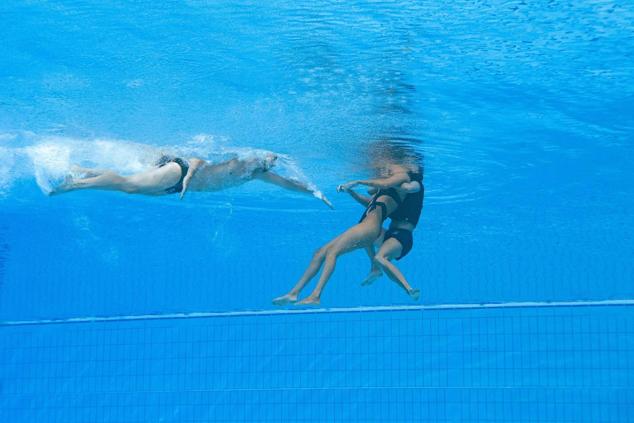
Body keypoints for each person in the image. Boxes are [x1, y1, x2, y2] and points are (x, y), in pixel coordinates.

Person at [272, 162, 418, 306]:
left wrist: (358, 181)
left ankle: (316, 295)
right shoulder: (382, 193)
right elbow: (369, 201)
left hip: (370, 228)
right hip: (364, 226)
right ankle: (294, 293)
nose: (383, 170)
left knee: (333, 253)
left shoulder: (400, 182)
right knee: (320, 253)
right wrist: (350, 191)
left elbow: (384, 184)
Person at [50, 153, 333, 208]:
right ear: (256, 156)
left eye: (272, 162)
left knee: (131, 189)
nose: (270, 164)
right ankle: (76, 185)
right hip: (180, 172)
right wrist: (186, 182)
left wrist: (315, 194)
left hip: (175, 188)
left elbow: (289, 184)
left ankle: (80, 170)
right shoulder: (237, 159)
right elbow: (198, 159)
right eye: (268, 159)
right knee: (130, 184)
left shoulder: (257, 175)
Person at [356, 164, 424, 300]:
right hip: (390, 234)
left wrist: (390, 183)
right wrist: (351, 193)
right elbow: (372, 201)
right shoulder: (395, 190)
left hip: (403, 237)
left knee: (380, 257)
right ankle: (375, 269)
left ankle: (409, 289)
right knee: (363, 232)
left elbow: (408, 188)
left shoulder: (416, 183)